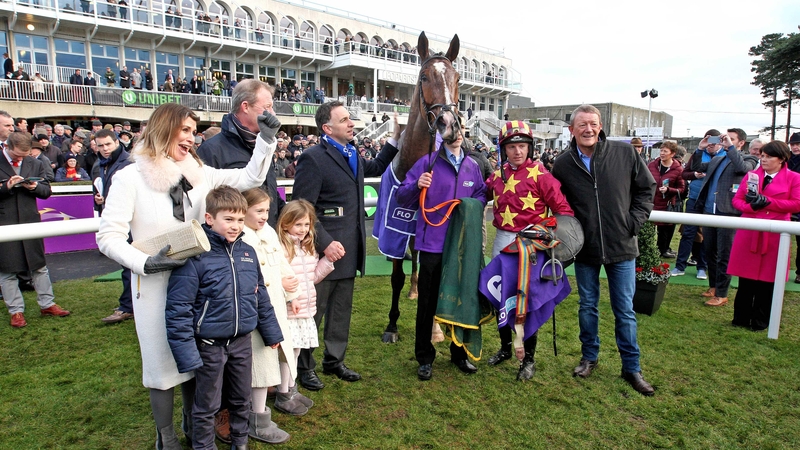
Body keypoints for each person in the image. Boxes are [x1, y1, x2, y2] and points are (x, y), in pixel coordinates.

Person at [96, 102, 279, 449]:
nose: (191, 139)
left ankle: (196, 426)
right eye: (185, 131)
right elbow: (108, 237)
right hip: (153, 286)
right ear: (163, 128)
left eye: (194, 132)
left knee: (198, 363)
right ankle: (165, 437)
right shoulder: (129, 177)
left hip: (202, 287)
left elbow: (249, 178)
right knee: (161, 366)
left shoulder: (200, 172)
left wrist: (265, 140)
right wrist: (145, 263)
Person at [166, 186, 285, 449]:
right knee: (206, 404)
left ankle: (240, 442)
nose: (235, 226)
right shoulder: (194, 259)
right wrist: (186, 353)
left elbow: (260, 297)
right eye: (228, 219)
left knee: (241, 399)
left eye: (240, 220)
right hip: (209, 346)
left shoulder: (248, 253)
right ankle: (204, 446)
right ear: (210, 219)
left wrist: (272, 332)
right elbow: (178, 309)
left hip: (242, 342)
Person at [551, 104, 656, 396]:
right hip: (585, 250)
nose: (588, 129)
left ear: (600, 126)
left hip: (622, 246)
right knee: (588, 306)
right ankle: (589, 357)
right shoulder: (562, 164)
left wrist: (633, 222)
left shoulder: (625, 154)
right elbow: (558, 205)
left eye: (593, 123)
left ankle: (631, 368)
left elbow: (647, 189)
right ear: (571, 130)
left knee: (624, 309)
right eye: (582, 124)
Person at [292, 100, 398, 390]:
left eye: (350, 118)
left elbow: (376, 165)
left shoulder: (351, 152)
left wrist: (395, 139)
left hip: (350, 247)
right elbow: (302, 209)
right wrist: (324, 243)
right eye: (345, 120)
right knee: (314, 311)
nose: (352, 123)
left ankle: (334, 360)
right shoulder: (313, 158)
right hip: (324, 251)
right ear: (327, 128)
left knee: (341, 310)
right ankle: (304, 366)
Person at [396, 125, 487, 381]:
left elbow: (480, 193)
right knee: (426, 304)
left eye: (461, 129)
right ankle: (424, 357)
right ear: (442, 135)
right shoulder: (427, 163)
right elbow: (402, 197)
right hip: (432, 245)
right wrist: (417, 185)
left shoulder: (472, 166)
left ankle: (459, 354)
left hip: (460, 246)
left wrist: (471, 205)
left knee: (461, 298)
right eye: (451, 129)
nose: (457, 134)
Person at [484, 121, 574, 381]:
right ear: (504, 149)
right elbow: (479, 196)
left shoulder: (541, 175)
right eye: (512, 147)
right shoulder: (498, 174)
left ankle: (529, 360)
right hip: (502, 242)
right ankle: (504, 348)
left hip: (531, 247)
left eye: (522, 146)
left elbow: (563, 211)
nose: (517, 152)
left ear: (529, 147)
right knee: (500, 297)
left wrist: (546, 234)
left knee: (528, 302)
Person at [1, 130, 70, 328]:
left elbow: (46, 190)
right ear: (7, 147)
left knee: (39, 265)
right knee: (7, 270)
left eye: (25, 155)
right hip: (5, 222)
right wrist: (6, 186)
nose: (21, 159)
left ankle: (47, 304)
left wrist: (33, 187)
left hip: (30, 220)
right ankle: (16, 311)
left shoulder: (36, 163)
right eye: (17, 156)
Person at [728, 141, 800, 331]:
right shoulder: (752, 176)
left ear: (782, 159)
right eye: (762, 156)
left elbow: (796, 204)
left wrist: (768, 202)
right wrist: (751, 206)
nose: (764, 159)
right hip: (749, 231)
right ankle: (740, 318)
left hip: (775, 235)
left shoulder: (794, 178)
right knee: (746, 278)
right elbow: (737, 200)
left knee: (768, 279)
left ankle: (760, 321)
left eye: (769, 156)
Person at [198, 79, 284, 228]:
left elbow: (271, 193)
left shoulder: (265, 144)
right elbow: (205, 206)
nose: (272, 113)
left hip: (267, 239)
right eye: (267, 107)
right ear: (245, 106)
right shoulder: (211, 150)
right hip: (235, 243)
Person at [276, 199, 334, 411]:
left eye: (306, 225)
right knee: (287, 353)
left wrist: (327, 262)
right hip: (290, 312)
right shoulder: (281, 249)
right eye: (298, 224)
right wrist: (291, 297)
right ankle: (283, 393)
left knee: (297, 351)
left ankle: (291, 388)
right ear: (285, 224)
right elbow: (277, 280)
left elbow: (313, 278)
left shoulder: (308, 249)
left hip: (305, 310)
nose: (303, 229)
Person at [693, 128, 758, 306]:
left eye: (731, 138)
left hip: (728, 213)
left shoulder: (748, 158)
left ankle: (722, 293)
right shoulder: (717, 158)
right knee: (710, 251)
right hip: (709, 211)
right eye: (725, 138)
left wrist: (730, 149)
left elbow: (742, 169)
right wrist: (700, 149)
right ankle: (713, 286)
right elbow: (697, 167)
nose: (725, 140)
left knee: (724, 255)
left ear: (741, 143)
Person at [91, 130, 134, 324]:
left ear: (117, 142)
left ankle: (127, 307)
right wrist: (100, 200)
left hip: (130, 220)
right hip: (114, 217)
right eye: (100, 146)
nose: (104, 149)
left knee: (128, 265)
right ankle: (129, 304)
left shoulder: (128, 163)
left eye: (108, 144)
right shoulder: (100, 164)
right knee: (126, 265)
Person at [647, 141, 685, 258]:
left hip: (667, 205)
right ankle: (647, 253)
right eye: (661, 150)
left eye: (665, 151)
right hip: (650, 203)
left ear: (672, 154)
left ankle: (662, 251)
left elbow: (682, 189)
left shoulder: (678, 169)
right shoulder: (651, 165)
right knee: (647, 231)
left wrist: (669, 190)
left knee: (664, 233)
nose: (662, 153)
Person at [787, 132, 800, 284]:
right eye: (793, 144)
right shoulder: (786, 159)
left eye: (798, 144)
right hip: (785, 204)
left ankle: (799, 272)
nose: (795, 147)